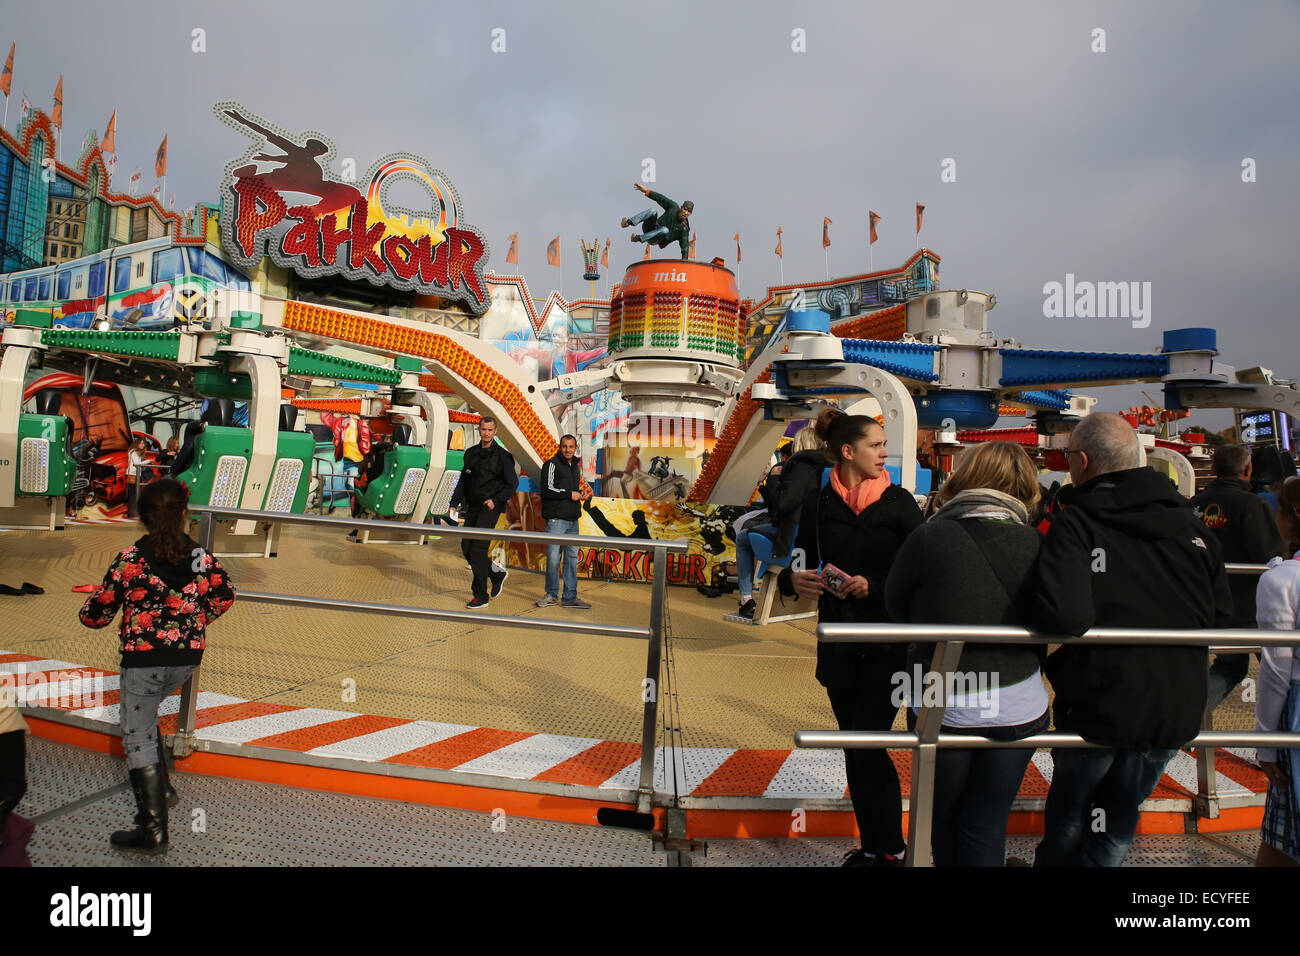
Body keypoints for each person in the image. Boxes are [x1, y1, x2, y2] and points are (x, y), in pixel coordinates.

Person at [1033, 413, 1232, 867]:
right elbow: (1220, 616)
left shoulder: (1078, 523)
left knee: (1070, 819)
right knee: (1116, 825)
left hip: (1098, 702)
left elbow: (1065, 615)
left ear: (1081, 462)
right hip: (1174, 703)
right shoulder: (1193, 526)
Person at [884, 441, 1048, 866]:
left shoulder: (929, 536)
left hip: (944, 703)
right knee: (985, 824)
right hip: (1016, 705)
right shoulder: (1035, 543)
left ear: (966, 479)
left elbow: (895, 605)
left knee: (942, 818)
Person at [782, 408, 923, 866]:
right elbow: (801, 554)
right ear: (848, 451)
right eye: (876, 445)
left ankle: (889, 849)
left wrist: (874, 585)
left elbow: (920, 571)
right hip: (839, 642)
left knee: (868, 743)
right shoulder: (818, 504)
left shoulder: (900, 503)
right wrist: (794, 579)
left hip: (887, 644)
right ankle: (877, 848)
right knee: (857, 745)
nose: (885, 453)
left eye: (883, 444)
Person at [78, 478, 236, 854]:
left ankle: (153, 831)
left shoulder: (131, 558)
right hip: (186, 660)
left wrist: (91, 613)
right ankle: (163, 788)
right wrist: (194, 622)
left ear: (143, 517)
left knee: (136, 734)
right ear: (184, 514)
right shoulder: (200, 556)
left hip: (144, 661)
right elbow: (225, 594)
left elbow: (97, 615)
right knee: (147, 723)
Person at [1191, 444, 1288, 711]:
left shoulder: (1193, 505)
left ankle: (1189, 716)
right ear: (1247, 470)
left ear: (1213, 469)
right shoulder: (1253, 505)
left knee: (1230, 665)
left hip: (1205, 603)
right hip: (1250, 607)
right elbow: (1272, 556)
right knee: (1280, 671)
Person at [1253, 477, 1300, 867]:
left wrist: (1267, 742)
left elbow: (1276, 669)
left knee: (1284, 830)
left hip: (1296, 714)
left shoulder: (1281, 579)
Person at [733, 426, 825, 619]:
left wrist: (773, 480)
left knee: (742, 537)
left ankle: (746, 598)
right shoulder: (828, 467)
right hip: (816, 542)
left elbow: (782, 505)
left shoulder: (800, 466)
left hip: (792, 541)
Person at [449, 415, 517, 609]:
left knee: (478, 548)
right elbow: (464, 480)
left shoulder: (503, 457)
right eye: (483, 429)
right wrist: (453, 503)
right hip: (472, 506)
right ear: (479, 430)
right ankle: (496, 574)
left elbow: (512, 484)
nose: (486, 433)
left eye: (490, 430)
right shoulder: (470, 453)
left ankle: (480, 595)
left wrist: (495, 500)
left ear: (495, 432)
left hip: (490, 507)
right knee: (466, 547)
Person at [537, 434, 592, 609]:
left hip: (572, 520)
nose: (568, 450)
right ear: (560, 447)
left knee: (571, 558)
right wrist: (570, 494)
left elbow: (572, 489)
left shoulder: (575, 467)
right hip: (556, 520)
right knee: (553, 558)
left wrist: (580, 492)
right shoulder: (551, 464)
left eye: (571, 447)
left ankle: (569, 597)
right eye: (564, 446)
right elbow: (547, 490)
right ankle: (551, 595)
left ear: (576, 448)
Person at [620, 183, 693, 259]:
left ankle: (638, 238)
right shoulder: (673, 207)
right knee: (653, 210)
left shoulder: (683, 229)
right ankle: (628, 222)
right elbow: (660, 198)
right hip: (651, 227)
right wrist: (645, 191)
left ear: (690, 213)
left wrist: (684, 261)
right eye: (685, 209)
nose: (685, 212)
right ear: (681, 208)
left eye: (688, 211)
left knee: (665, 230)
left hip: (656, 238)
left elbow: (685, 246)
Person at [126, 436, 149, 518]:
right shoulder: (134, 452)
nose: (143, 445)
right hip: (133, 475)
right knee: (133, 495)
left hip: (136, 474)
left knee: (134, 494)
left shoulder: (135, 452)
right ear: (137, 444)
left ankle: (133, 512)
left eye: (143, 443)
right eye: (142, 443)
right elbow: (136, 463)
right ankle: (132, 513)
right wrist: (147, 461)